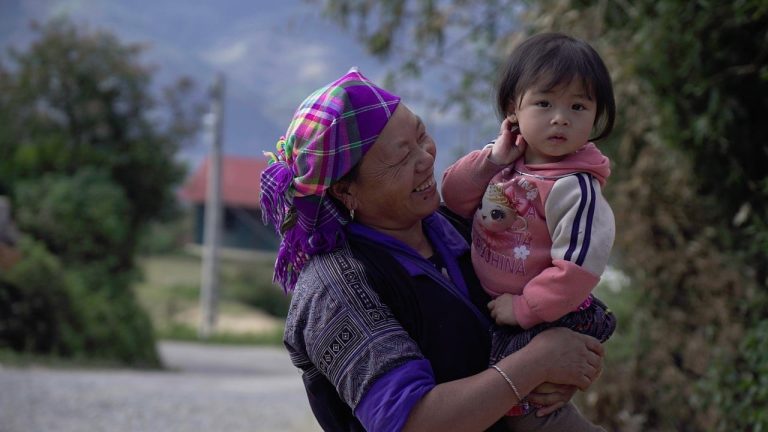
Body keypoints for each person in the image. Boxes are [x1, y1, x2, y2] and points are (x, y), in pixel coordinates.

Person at [260, 67, 604, 432]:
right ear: (346, 191)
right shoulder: (334, 288)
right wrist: (539, 362)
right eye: (400, 157)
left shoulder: (464, 226)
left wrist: (573, 360)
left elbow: (560, 302)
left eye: (422, 136)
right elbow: (411, 422)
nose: (425, 159)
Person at [441, 32, 617, 428]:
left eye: (578, 106)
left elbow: (576, 270)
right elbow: (453, 196)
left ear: (595, 116)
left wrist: (523, 309)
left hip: (544, 314)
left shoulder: (574, 188)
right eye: (544, 103)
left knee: (530, 410)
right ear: (512, 108)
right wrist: (491, 159)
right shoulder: (504, 160)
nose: (561, 118)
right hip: (499, 306)